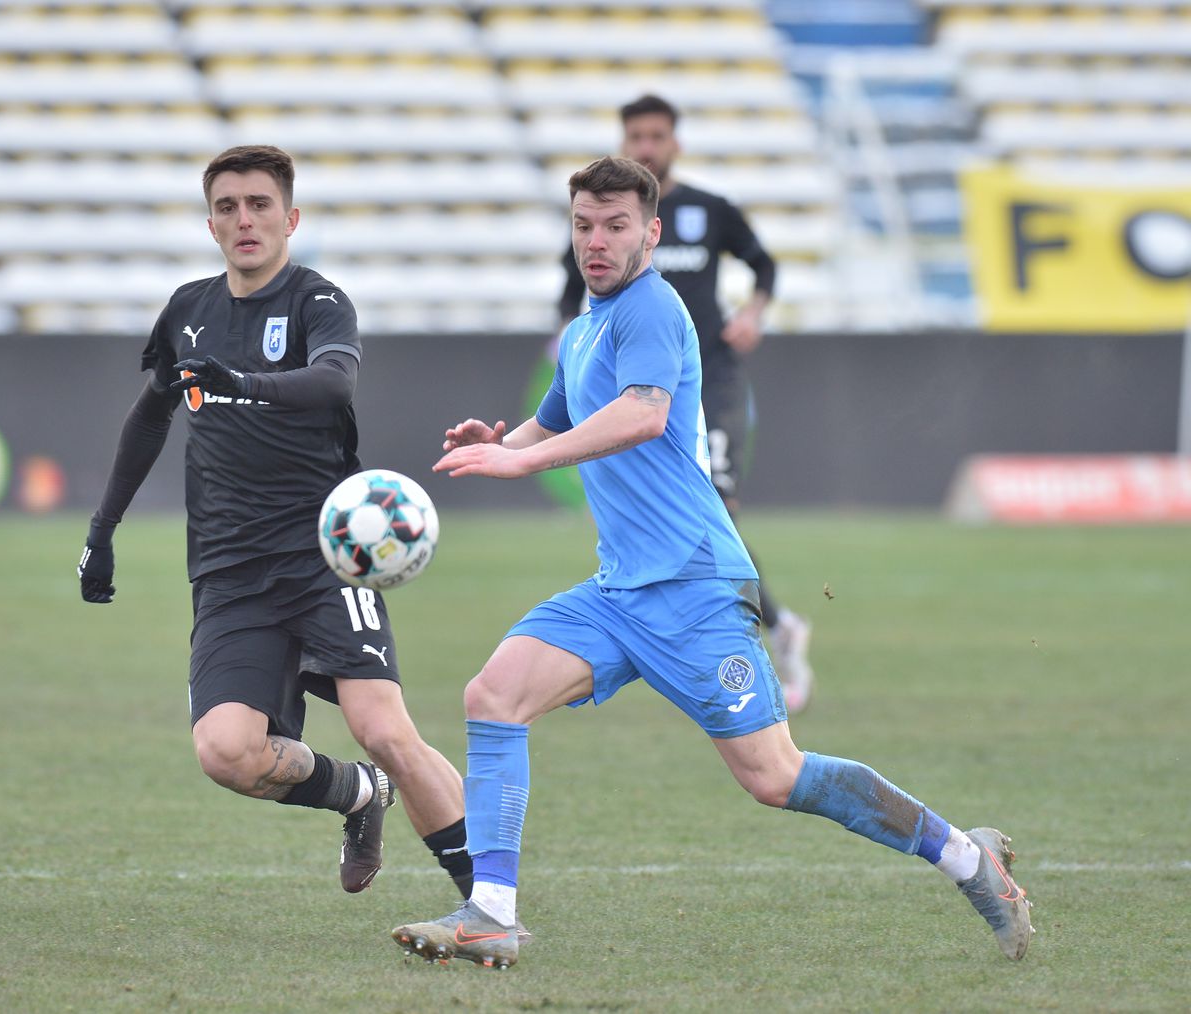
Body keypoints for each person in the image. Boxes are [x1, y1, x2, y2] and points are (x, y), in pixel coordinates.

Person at [392, 156, 1032, 969]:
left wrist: (523, 463)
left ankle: (970, 861)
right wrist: (502, 441)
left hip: (693, 584)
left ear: (651, 232)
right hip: (618, 592)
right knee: (493, 696)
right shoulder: (587, 327)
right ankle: (491, 914)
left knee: (774, 777)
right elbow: (551, 419)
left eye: (616, 225)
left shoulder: (651, 308)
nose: (597, 240)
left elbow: (643, 414)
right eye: (584, 225)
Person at [76, 144, 479, 905]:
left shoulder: (318, 301)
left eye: (260, 204)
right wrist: (102, 531)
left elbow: (334, 381)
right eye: (227, 207)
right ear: (211, 225)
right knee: (226, 752)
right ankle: (360, 793)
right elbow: (150, 415)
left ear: (290, 219)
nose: (244, 220)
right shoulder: (188, 311)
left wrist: (243, 382)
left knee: (385, 730)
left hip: (323, 555)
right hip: (229, 570)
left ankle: (487, 901)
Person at [558, 94, 814, 713]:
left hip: (706, 385)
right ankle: (775, 624)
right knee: (675, 511)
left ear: (675, 142)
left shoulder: (709, 209)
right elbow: (569, 295)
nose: (646, 146)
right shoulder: (604, 222)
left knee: (714, 503)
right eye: (636, 136)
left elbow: (764, 264)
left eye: (657, 136)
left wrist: (753, 312)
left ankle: (747, 642)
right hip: (635, 386)